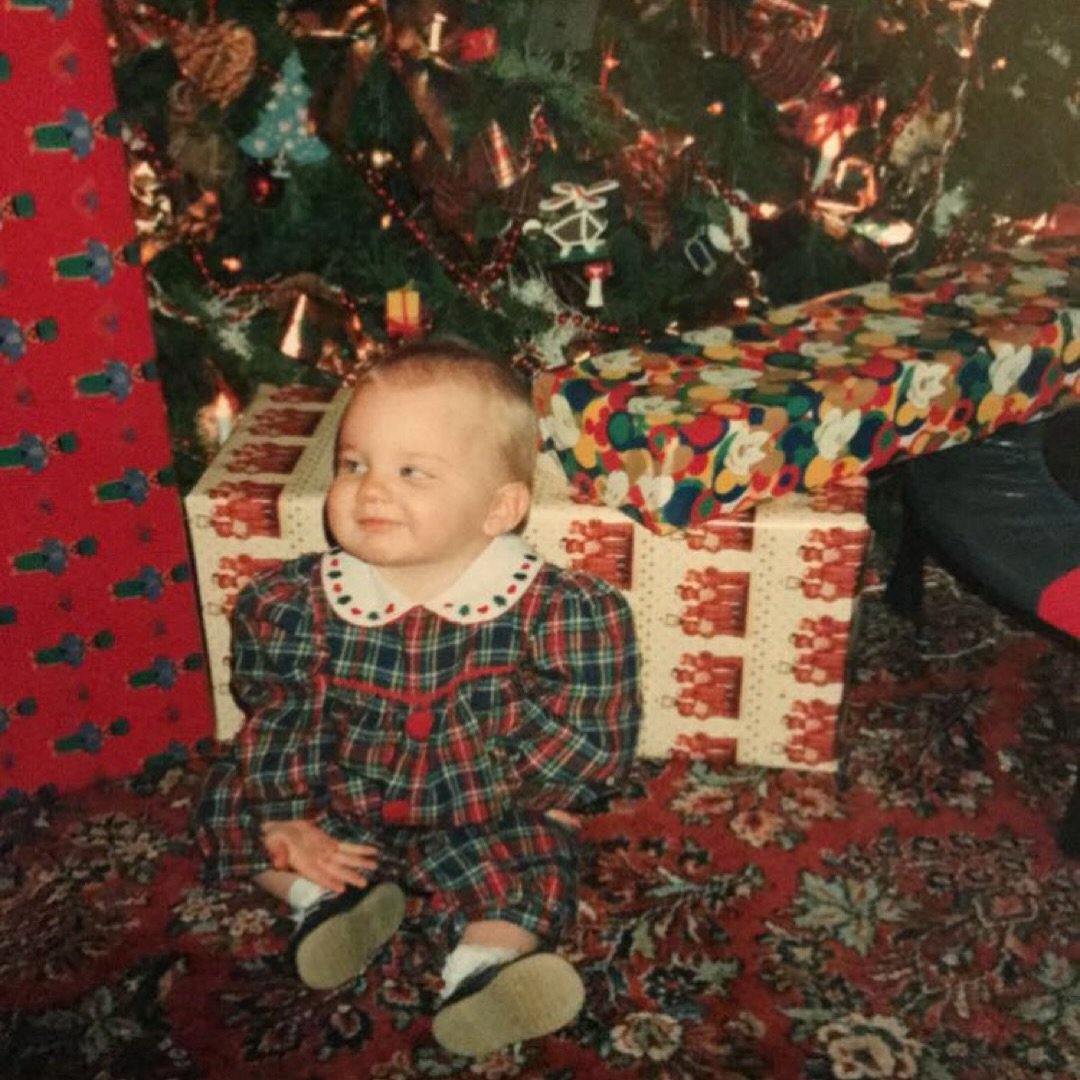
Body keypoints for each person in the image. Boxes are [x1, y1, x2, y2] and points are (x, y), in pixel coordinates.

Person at [194, 340, 641, 1058]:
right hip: (343, 791)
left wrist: (535, 795)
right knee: (231, 797)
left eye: (412, 472)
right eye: (354, 464)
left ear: (499, 508)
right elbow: (282, 713)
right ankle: (323, 901)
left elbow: (590, 730)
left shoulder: (564, 610)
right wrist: (287, 815)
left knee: (532, 852)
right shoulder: (292, 602)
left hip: (485, 800)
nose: (370, 491)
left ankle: (486, 967)